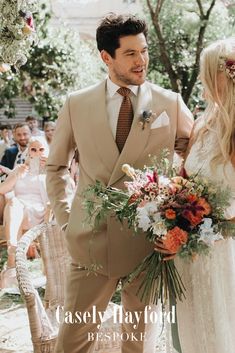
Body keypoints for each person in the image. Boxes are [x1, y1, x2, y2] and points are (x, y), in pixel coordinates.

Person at [46, 13, 193, 353]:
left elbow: (193, 162)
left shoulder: (169, 102)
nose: (142, 60)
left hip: (147, 245)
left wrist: (178, 221)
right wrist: (68, 220)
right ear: (106, 57)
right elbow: (55, 168)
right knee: (72, 342)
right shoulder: (76, 104)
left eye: (144, 51)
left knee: (137, 344)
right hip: (90, 243)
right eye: (130, 53)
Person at [158, 38, 235, 353]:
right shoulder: (203, 123)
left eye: (205, 74)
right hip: (187, 255)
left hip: (221, 253)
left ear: (220, 76)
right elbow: (183, 180)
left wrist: (207, 230)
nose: (202, 81)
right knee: (191, 334)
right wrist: (169, 221)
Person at [0, 137, 49, 288]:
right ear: (28, 152)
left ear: (46, 151)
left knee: (16, 207)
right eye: (33, 149)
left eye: (41, 149)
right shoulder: (20, 169)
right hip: (20, 210)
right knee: (14, 202)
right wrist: (16, 174)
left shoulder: (53, 169)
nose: (37, 153)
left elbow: (62, 193)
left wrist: (49, 170)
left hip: (42, 211)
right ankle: (12, 245)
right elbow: (2, 190)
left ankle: (12, 265)